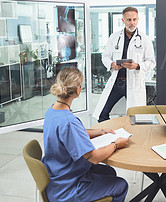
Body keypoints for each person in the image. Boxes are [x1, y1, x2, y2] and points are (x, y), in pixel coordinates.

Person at [42, 66, 129, 202]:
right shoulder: (69, 121)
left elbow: (73, 134)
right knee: (121, 185)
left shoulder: (52, 111)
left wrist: (101, 132)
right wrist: (116, 144)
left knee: (109, 172)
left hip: (58, 173)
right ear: (78, 90)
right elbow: (94, 158)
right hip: (68, 187)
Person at [93, 7, 156, 122]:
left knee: (137, 118)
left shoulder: (145, 39)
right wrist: (112, 64)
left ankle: (131, 137)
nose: (132, 23)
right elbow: (105, 56)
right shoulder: (114, 37)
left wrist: (137, 66)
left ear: (138, 20)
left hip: (134, 83)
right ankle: (109, 136)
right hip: (117, 83)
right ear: (123, 20)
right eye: (129, 20)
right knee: (102, 114)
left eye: (134, 19)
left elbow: (151, 62)